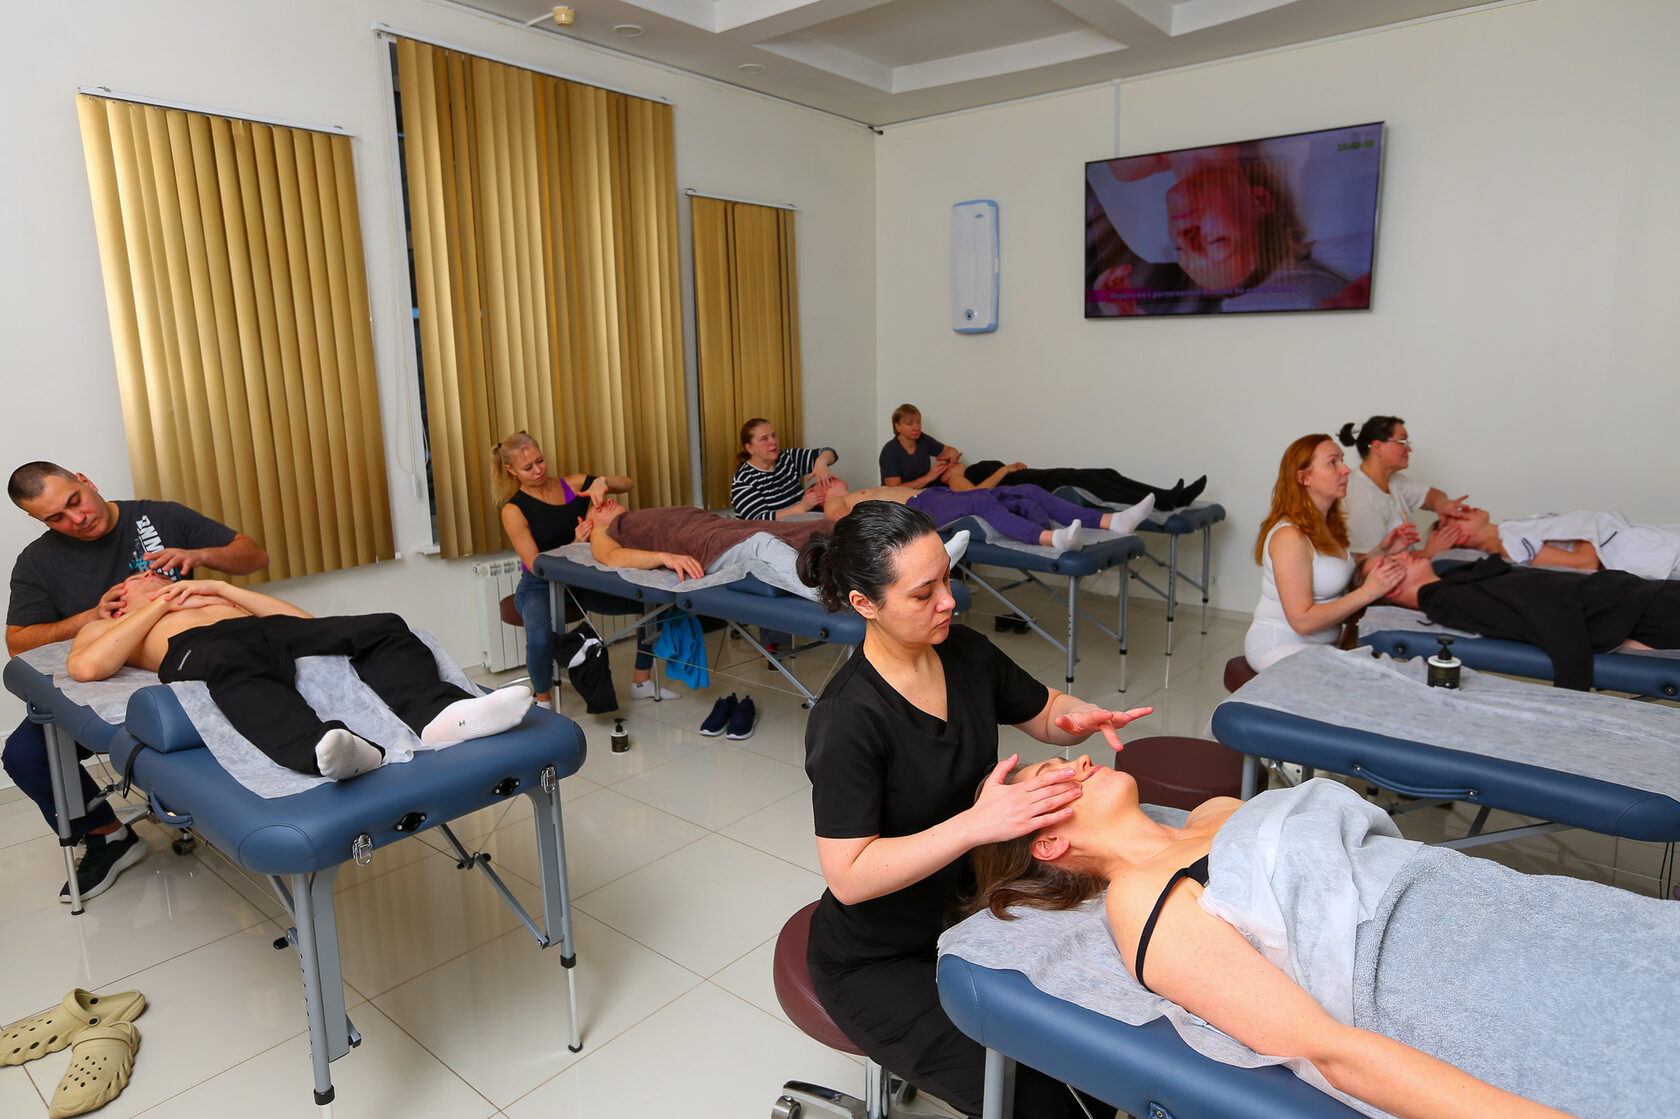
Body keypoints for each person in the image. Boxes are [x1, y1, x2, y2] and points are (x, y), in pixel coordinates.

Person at [961, 763, 1615, 1119]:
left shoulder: (1213, 811)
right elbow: (1325, 1048)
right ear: (1049, 843)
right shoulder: (1140, 897)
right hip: (1466, 972)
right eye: (1054, 778)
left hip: (1527, 906)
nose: (1080, 760)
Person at [796, 500, 1153, 1117]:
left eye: (947, 578)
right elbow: (849, 876)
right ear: (864, 604)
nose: (949, 601)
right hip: (879, 959)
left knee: (1096, 1071)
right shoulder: (847, 719)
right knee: (1043, 1105)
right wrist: (976, 825)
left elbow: (1045, 711)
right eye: (923, 592)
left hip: (968, 915)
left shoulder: (962, 652)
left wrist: (1078, 717)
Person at [5, 461, 268, 902]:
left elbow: (253, 557)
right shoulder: (38, 563)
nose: (77, 518)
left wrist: (199, 557)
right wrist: (90, 617)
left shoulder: (160, 517)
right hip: (106, 685)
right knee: (25, 755)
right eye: (56, 518)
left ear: (85, 481)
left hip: (191, 667)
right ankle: (108, 836)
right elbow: (18, 642)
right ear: (38, 520)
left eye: (75, 501)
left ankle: (248, 809)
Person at [66, 573, 531, 777]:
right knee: (233, 658)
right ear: (121, 600)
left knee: (381, 625)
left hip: (261, 630)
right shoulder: (113, 624)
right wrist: (157, 603)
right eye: (140, 578)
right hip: (197, 647)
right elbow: (87, 667)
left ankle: (441, 716)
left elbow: (306, 626)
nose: (155, 576)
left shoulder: (212, 598)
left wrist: (223, 590)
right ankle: (318, 749)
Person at [494, 431, 669, 705]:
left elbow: (628, 484)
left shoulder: (572, 485)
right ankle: (544, 702)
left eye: (540, 461)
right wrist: (574, 545)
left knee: (653, 602)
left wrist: (601, 482)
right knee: (539, 638)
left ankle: (641, 681)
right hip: (539, 584)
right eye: (528, 467)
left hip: (582, 579)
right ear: (511, 470)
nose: (538, 470)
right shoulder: (513, 510)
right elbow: (537, 566)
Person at [1353, 550, 1680, 691]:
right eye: (1391, 563)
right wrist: (1571, 696)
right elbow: (1548, 616)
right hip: (1642, 609)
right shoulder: (1449, 599)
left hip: (1638, 597)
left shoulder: (1453, 579)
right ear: (1388, 589)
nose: (1403, 554)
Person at [1244, 435, 1405, 671]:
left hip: (1323, 646)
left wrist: (1382, 550)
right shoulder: (1290, 536)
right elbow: (1302, 621)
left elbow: (1331, 570)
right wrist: (1368, 592)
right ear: (1304, 478)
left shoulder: (1327, 524)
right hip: (1280, 645)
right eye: (1333, 462)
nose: (1346, 469)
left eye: (1342, 460)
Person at [826, 482, 1156, 549]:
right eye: (824, 480)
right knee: (983, 502)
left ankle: (1113, 521)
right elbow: (843, 523)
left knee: (1028, 490)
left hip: (933, 495)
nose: (831, 478)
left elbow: (827, 456)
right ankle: (1050, 539)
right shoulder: (837, 499)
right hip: (915, 510)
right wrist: (807, 504)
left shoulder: (867, 486)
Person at [582, 499, 832, 586]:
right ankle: (832, 597)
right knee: (762, 543)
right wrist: (664, 557)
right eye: (599, 506)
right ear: (589, 523)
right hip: (704, 542)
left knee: (812, 528)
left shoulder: (638, 518)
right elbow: (612, 557)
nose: (608, 501)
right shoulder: (602, 530)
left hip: (715, 526)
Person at [1337, 416, 1471, 557]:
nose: (1409, 449)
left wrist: (1442, 504)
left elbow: (1431, 495)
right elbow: (1368, 562)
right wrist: (1428, 553)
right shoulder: (1360, 498)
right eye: (1402, 442)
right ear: (1377, 447)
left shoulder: (1394, 481)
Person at [1440, 506, 1680, 580]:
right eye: (1456, 517)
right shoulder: (1510, 545)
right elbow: (1584, 564)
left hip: (1650, 540)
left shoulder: (1511, 528)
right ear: (1459, 536)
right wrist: (1589, 527)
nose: (1464, 508)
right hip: (1651, 555)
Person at [730, 419, 842, 521]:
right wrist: (801, 507)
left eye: (774, 436)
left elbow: (830, 453)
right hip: (773, 532)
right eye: (764, 439)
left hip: (801, 521)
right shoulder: (743, 480)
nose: (773, 441)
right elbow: (757, 520)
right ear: (750, 448)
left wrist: (821, 462)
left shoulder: (786, 458)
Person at [877, 404, 960, 489]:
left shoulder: (923, 439)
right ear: (898, 427)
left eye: (918, 422)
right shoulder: (890, 451)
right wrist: (928, 477)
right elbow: (894, 489)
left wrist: (952, 454)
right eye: (910, 424)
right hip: (901, 494)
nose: (917, 428)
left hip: (925, 488)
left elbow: (948, 451)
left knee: (958, 468)